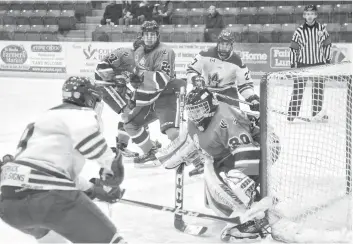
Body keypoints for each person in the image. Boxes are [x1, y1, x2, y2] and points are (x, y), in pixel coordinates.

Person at [0, 77, 126, 243]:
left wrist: (93, 189)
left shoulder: (41, 121)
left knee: (53, 238)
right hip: (49, 198)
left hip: (9, 204)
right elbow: (89, 141)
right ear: (89, 99)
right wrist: (111, 166)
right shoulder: (79, 113)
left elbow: (49, 172)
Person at [157, 87, 274, 241]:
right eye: (192, 110)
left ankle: (257, 218)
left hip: (261, 146)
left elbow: (246, 149)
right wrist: (180, 157)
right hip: (230, 153)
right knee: (219, 182)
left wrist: (243, 179)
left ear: (211, 105)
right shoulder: (195, 121)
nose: (195, 115)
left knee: (235, 182)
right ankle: (245, 210)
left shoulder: (225, 118)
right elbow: (196, 141)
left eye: (199, 109)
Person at [95, 21, 186, 165]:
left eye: (152, 35)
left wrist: (134, 81)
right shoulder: (128, 54)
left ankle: (136, 146)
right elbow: (101, 68)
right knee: (128, 114)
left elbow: (152, 79)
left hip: (162, 93)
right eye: (145, 36)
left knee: (132, 114)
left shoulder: (157, 53)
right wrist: (118, 78)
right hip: (109, 86)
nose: (147, 41)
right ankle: (129, 147)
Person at [186, 29, 260, 111]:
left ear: (231, 46)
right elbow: (192, 69)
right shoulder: (205, 54)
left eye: (227, 45)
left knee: (233, 117)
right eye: (222, 44)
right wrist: (196, 78)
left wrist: (251, 98)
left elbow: (245, 84)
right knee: (196, 111)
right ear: (218, 44)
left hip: (228, 91)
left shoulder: (238, 61)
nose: (224, 47)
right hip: (206, 90)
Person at [288, 4, 332, 122]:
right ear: (304, 15)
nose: (309, 16)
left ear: (316, 15)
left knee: (318, 90)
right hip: (302, 65)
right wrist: (293, 65)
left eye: (312, 14)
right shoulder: (299, 31)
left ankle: (317, 114)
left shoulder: (322, 29)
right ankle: (292, 115)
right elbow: (293, 48)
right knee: (298, 90)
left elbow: (327, 45)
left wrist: (327, 61)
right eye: (307, 14)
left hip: (319, 64)